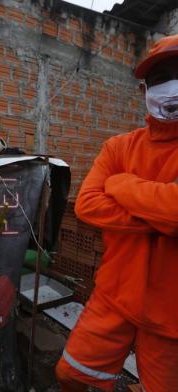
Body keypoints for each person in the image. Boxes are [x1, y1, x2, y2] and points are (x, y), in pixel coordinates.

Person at [55, 34, 178, 391]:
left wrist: (122, 184)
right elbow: (88, 205)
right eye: (160, 78)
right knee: (71, 375)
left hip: (171, 313)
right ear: (144, 92)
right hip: (114, 295)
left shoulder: (119, 164)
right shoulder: (119, 146)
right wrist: (161, 217)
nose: (171, 85)